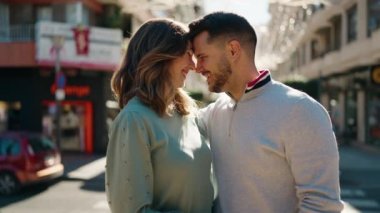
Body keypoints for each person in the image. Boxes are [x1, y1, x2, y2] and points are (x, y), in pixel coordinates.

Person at [188, 12, 344, 213]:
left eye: (202, 57)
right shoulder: (212, 113)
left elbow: (322, 205)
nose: (197, 68)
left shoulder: (300, 110)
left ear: (233, 50)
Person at [105, 18, 214, 213]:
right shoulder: (134, 120)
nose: (193, 65)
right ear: (160, 55)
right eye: (187, 53)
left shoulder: (189, 115)